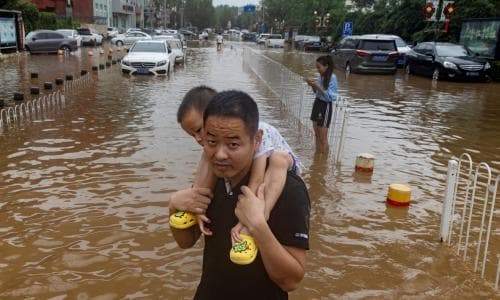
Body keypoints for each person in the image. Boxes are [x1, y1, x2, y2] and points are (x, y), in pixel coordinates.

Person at [169, 90, 310, 298]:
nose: (220, 154)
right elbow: (186, 241)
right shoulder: (212, 178)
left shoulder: (288, 189)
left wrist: (258, 226)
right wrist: (174, 207)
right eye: (211, 141)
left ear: (257, 140)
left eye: (233, 144)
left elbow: (291, 280)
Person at [306, 55, 338, 153]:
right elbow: (317, 93)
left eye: (319, 67)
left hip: (325, 106)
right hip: (317, 103)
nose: (318, 70)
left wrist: (317, 86)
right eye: (317, 67)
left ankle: (323, 161)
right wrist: (312, 86)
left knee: (323, 138)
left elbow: (330, 97)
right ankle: (317, 158)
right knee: (316, 134)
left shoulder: (332, 78)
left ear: (326, 66)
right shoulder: (321, 76)